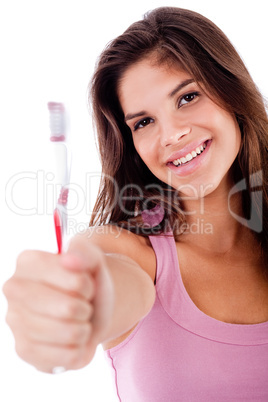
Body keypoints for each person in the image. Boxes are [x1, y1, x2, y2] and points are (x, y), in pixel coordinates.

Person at [3, 6, 268, 401]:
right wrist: (80, 302)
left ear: (232, 92)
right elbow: (108, 281)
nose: (173, 134)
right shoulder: (129, 252)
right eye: (143, 122)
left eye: (188, 97)